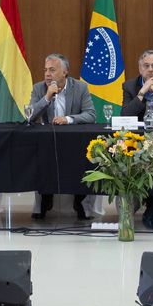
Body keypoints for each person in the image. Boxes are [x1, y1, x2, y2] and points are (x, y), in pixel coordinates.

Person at [27, 54, 96, 220]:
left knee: (82, 160)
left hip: (74, 141)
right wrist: (47, 97)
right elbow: (30, 116)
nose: (47, 74)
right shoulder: (39, 88)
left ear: (65, 72)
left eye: (52, 70)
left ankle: (80, 201)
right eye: (45, 70)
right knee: (42, 159)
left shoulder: (80, 87)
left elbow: (91, 114)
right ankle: (45, 199)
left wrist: (68, 119)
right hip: (47, 142)